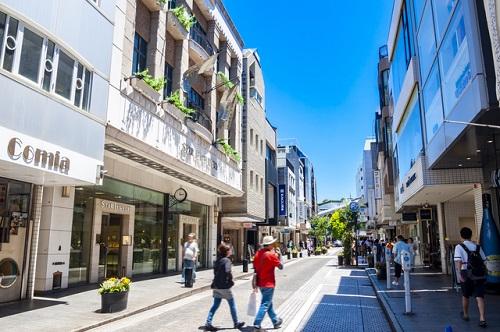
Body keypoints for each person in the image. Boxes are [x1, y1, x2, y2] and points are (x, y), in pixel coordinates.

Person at [204, 243, 245, 331]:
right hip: (224, 287)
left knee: (215, 305)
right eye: (229, 249)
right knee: (232, 304)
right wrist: (230, 281)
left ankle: (208, 323)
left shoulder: (218, 260)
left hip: (216, 285)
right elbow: (227, 271)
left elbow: (215, 272)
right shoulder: (227, 260)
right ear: (226, 251)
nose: (231, 251)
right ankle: (236, 323)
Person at [454, 227, 487, 328]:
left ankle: (465, 314)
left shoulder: (459, 247)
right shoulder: (477, 246)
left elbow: (458, 261)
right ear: (471, 235)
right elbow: (485, 261)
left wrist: (459, 275)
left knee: (465, 295)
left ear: (461, 236)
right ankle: (482, 318)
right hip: (479, 274)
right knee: (479, 296)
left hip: (465, 272)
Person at [252, 236, 284, 331]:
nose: (273, 245)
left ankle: (275, 321)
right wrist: (279, 255)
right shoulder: (270, 255)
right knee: (265, 304)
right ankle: (257, 324)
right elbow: (281, 266)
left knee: (268, 303)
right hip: (268, 283)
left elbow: (255, 266)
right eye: (272, 243)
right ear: (269, 245)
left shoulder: (258, 253)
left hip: (260, 282)